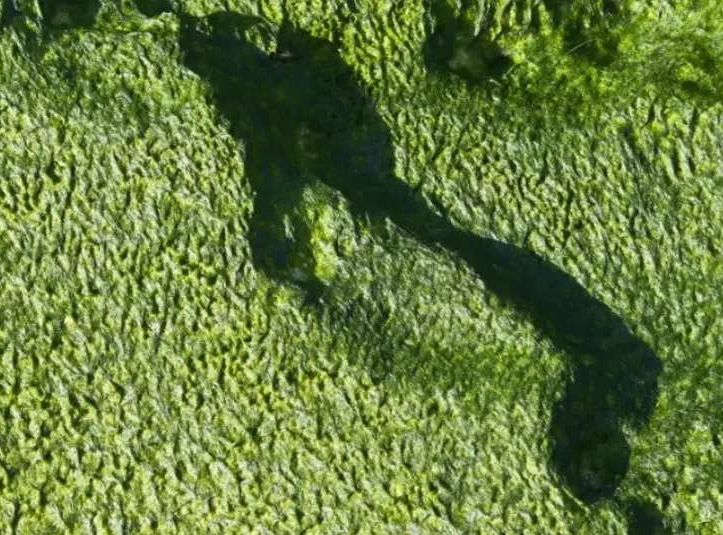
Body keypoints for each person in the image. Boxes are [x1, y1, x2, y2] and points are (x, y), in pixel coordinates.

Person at [138, 0, 663, 505]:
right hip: (353, 157)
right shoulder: (630, 379)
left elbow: (283, 169)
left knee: (437, 232)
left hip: (350, 157)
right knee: (439, 232)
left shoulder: (629, 378)